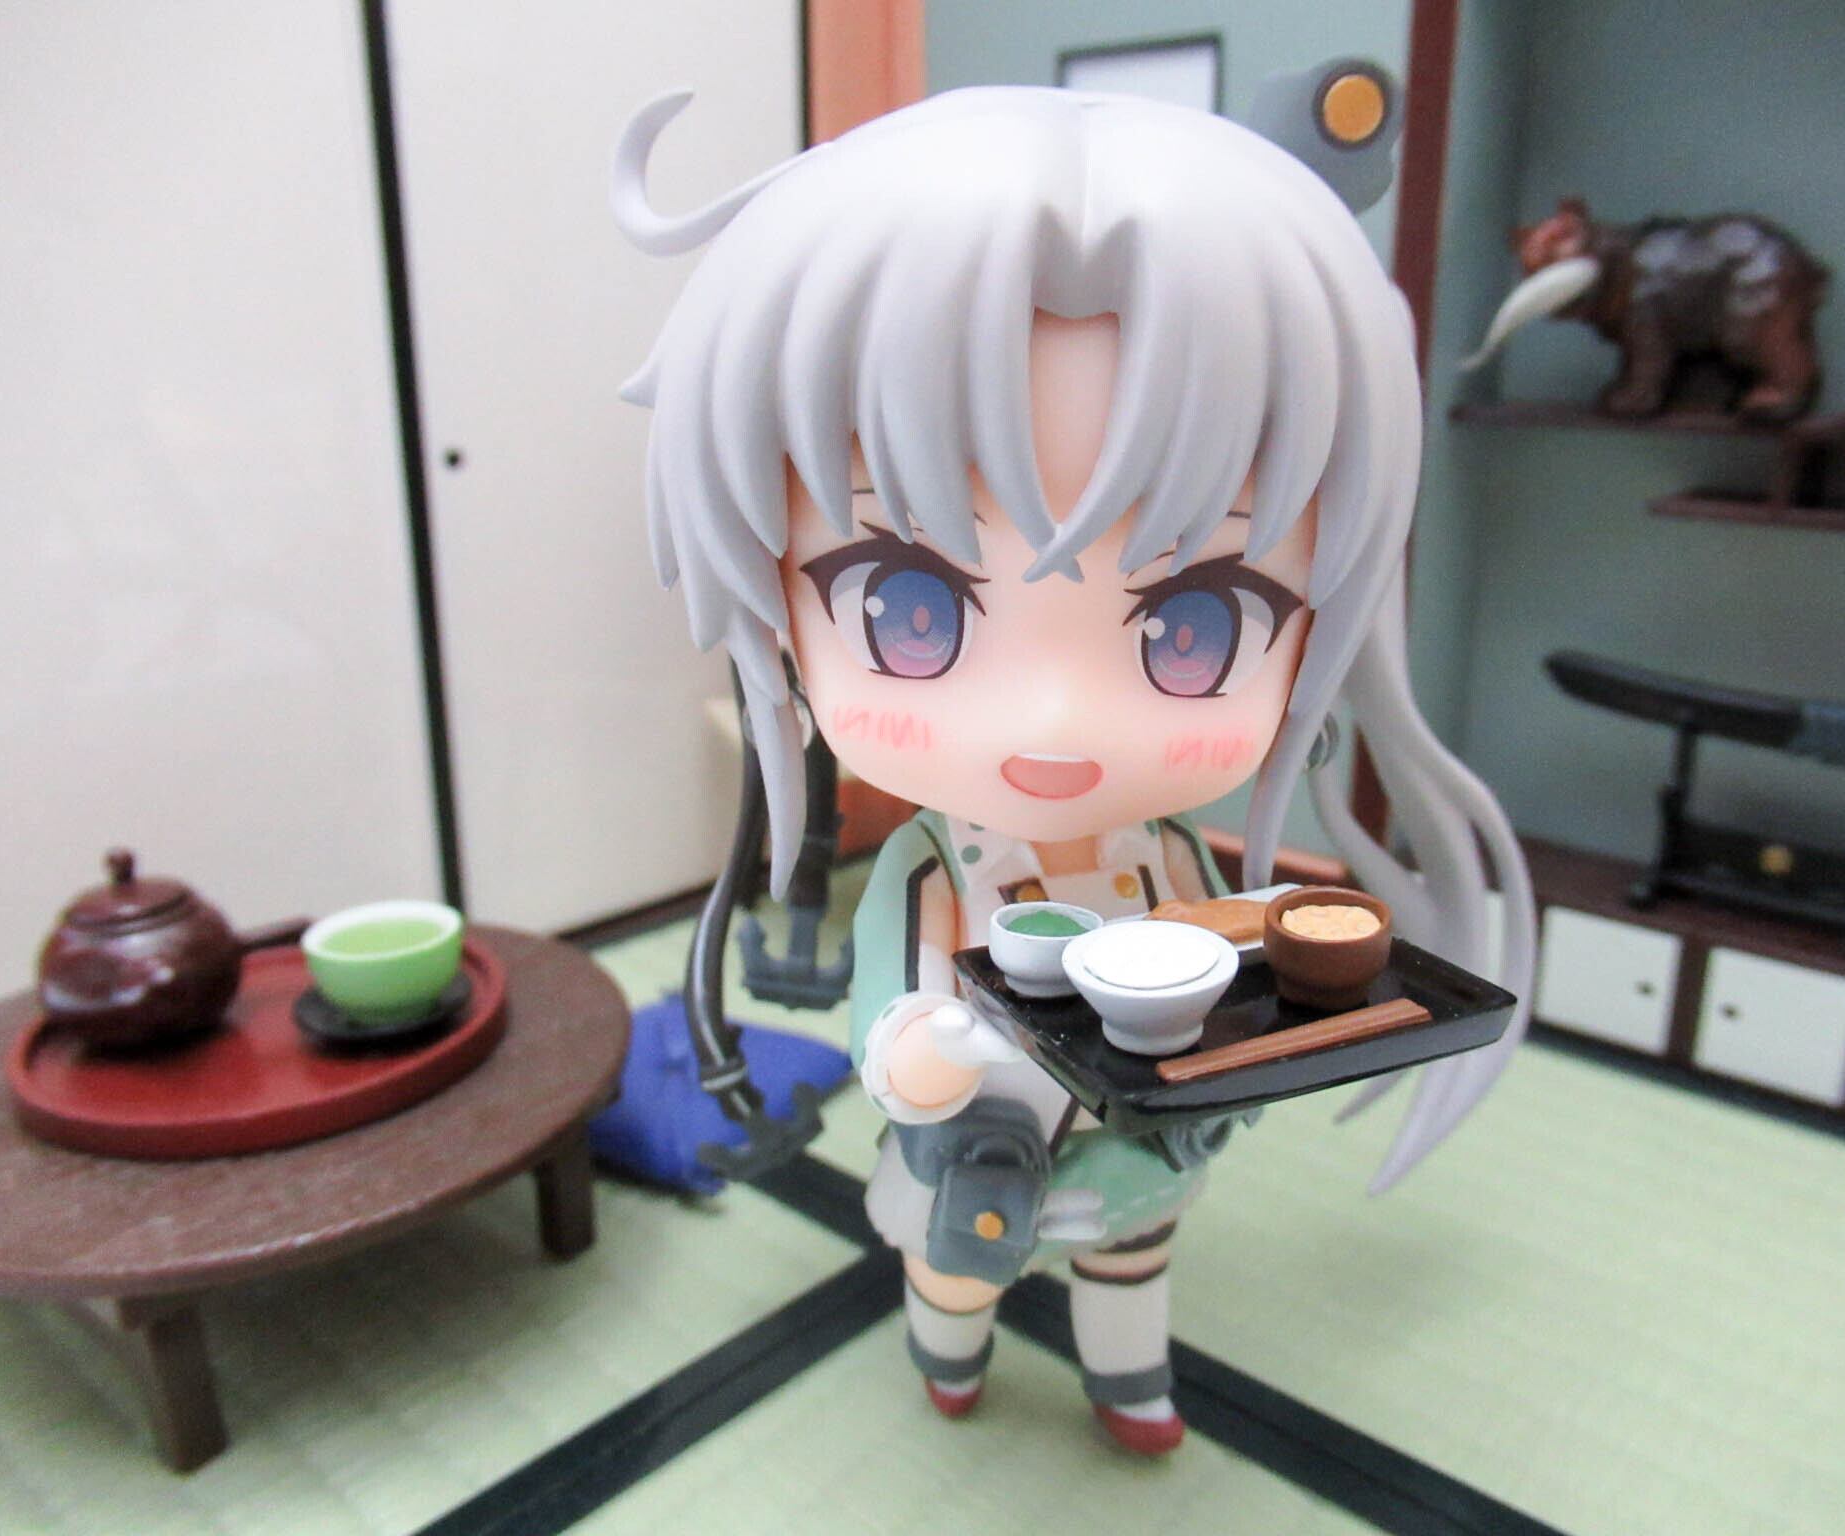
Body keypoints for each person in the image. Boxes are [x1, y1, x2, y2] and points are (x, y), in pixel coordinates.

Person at [613, 84, 1535, 1456]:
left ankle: (1130, 1383)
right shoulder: (932, 871)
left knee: (1132, 1267)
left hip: (1134, 1149)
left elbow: (1227, 961)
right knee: (956, 1273)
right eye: (908, 610)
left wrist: (1268, 1011)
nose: (1054, 720)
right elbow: (889, 1012)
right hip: (980, 1153)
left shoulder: (1171, 856)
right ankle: (949, 1352)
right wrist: (921, 1056)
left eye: (1195, 625)